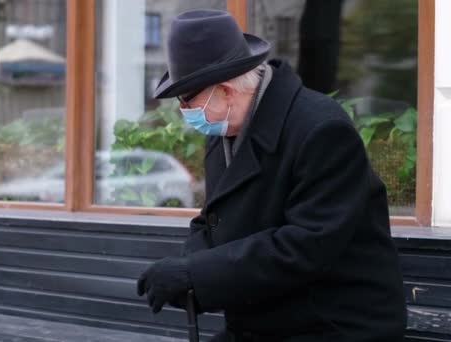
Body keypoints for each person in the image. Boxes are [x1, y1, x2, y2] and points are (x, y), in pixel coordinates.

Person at [136, 9, 407, 342]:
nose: (183, 111)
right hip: (265, 320)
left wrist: (196, 274)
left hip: (332, 324)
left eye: (187, 98)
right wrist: (185, 270)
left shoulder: (321, 127)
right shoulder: (224, 133)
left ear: (225, 90)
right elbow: (214, 220)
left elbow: (306, 244)